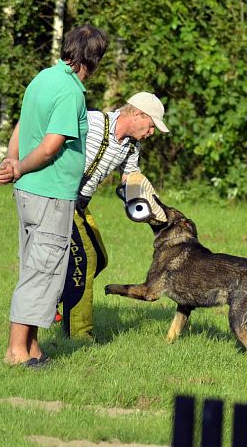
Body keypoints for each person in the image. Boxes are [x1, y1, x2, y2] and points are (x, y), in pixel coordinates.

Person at [0, 24, 108, 367]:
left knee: (36, 265)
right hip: (49, 193)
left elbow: (20, 125)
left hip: (29, 192)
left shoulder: (43, 78)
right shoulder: (72, 92)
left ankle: (32, 348)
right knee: (42, 272)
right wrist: (20, 166)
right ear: (95, 59)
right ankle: (16, 352)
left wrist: (12, 159)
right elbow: (50, 146)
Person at [60, 91, 169, 340]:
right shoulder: (92, 122)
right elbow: (53, 138)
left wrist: (150, 205)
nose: (151, 133)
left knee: (99, 258)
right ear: (137, 114)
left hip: (80, 203)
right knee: (84, 260)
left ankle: (56, 302)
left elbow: (131, 178)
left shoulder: (132, 145)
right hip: (60, 199)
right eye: (151, 126)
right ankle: (78, 334)